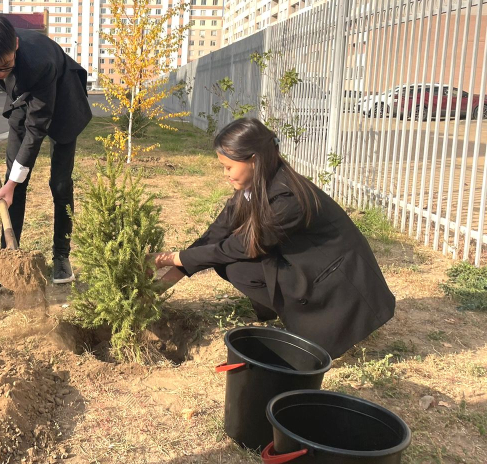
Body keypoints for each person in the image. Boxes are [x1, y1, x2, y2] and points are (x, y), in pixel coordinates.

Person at [148, 118, 395, 359]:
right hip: (310, 264)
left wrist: (166, 259)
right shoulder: (255, 186)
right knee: (232, 266)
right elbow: (215, 234)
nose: (226, 174)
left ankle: (315, 323)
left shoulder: (286, 198)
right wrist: (157, 286)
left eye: (229, 166)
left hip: (338, 279)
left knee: (233, 263)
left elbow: (237, 247)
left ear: (253, 160)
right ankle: (293, 312)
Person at [0, 14, 92, 298]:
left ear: (17, 46)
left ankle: (61, 256)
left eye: (4, 67)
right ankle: (7, 264)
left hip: (63, 103)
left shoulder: (39, 63)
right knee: (15, 184)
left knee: (59, 183)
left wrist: (11, 183)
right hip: (24, 100)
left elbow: (36, 129)